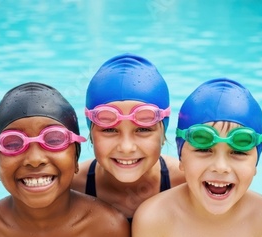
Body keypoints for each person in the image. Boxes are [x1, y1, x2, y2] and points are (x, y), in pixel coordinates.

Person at [0, 82, 131, 237]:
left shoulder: (109, 229)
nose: (34, 159)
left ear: (75, 158)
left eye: (54, 139)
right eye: (13, 143)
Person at [130, 78, 262, 237]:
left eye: (238, 153)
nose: (221, 167)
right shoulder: (153, 219)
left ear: (256, 163)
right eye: (204, 150)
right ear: (181, 158)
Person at [71, 53, 185, 221]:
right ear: (90, 134)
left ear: (163, 134)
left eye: (143, 129)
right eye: (109, 130)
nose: (126, 147)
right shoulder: (71, 188)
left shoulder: (185, 184)